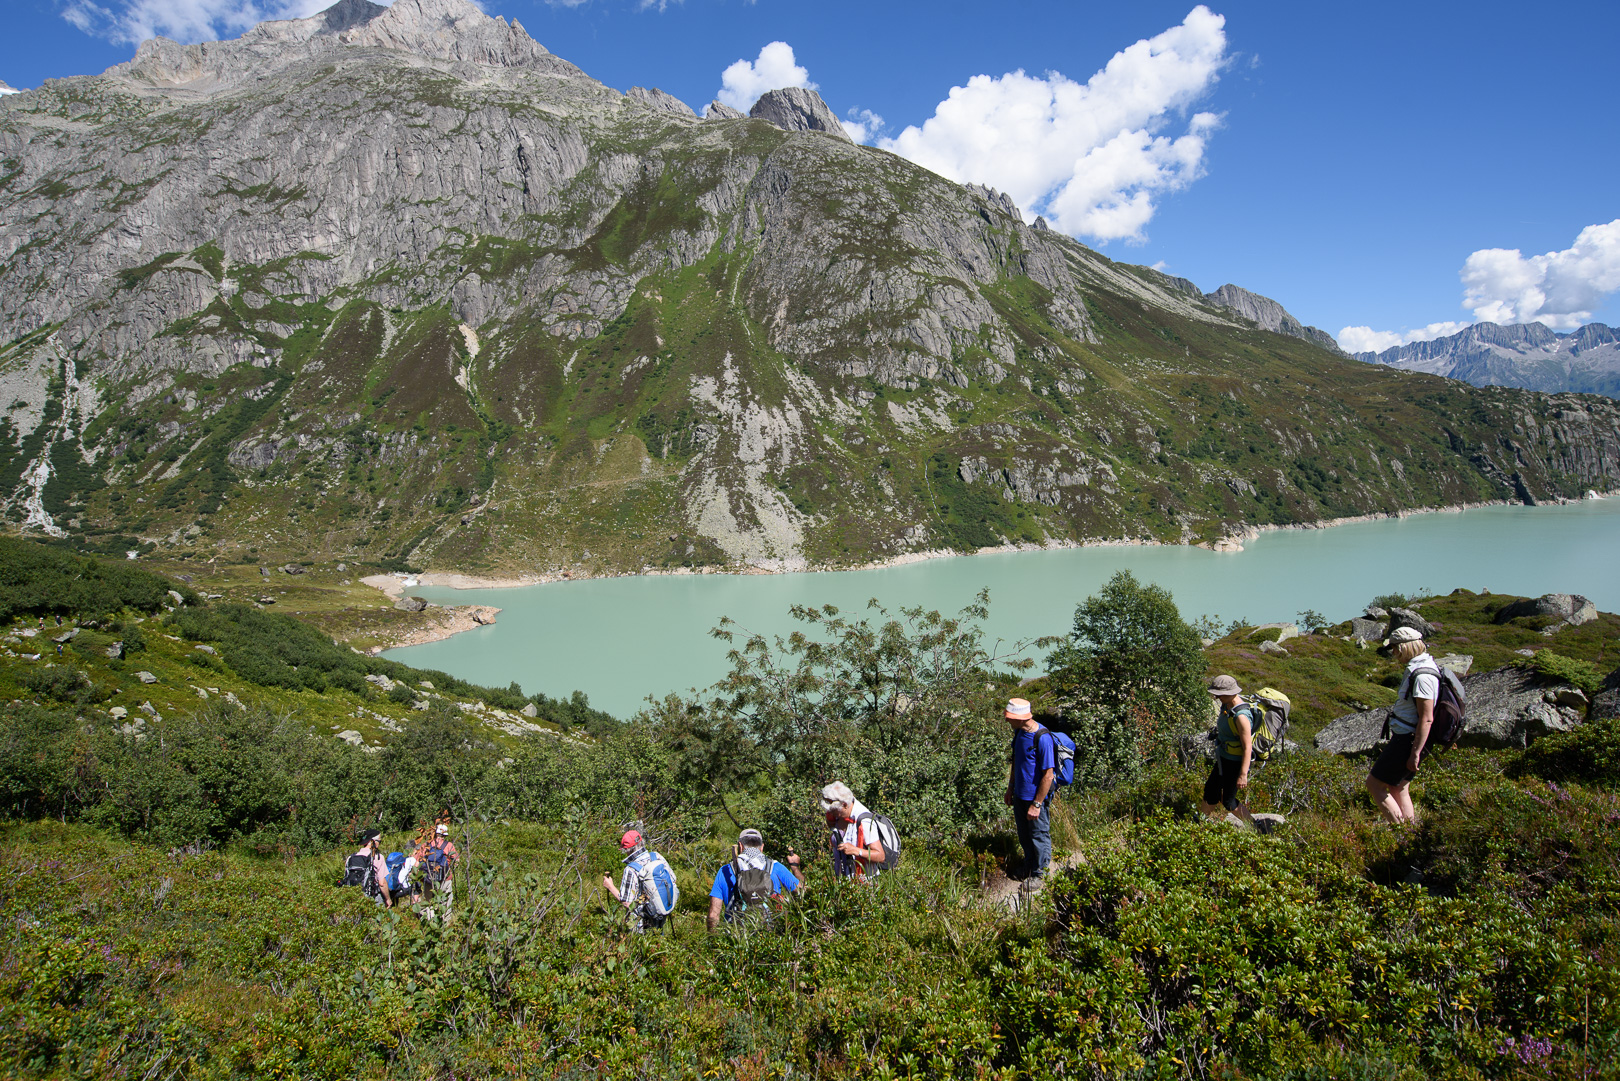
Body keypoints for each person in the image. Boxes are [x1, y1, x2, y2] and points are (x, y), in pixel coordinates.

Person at [1368, 627, 1437, 824]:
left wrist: (1415, 752)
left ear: (1405, 647)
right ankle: (1410, 832)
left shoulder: (1422, 676)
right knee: (1399, 787)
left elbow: (1427, 718)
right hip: (1409, 738)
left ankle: (1400, 832)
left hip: (1408, 740)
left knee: (1374, 785)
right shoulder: (1422, 668)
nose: (1394, 653)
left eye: (1395, 649)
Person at [1199, 676, 1268, 831]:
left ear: (1231, 693)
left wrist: (1243, 775)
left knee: (1228, 800)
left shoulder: (1241, 716)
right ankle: (1200, 823)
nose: (1216, 698)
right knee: (1211, 790)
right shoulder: (1227, 704)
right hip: (1223, 757)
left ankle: (1255, 827)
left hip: (1235, 762)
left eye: (1220, 695)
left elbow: (1247, 747)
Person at [1002, 697, 1056, 889]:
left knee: (1039, 835)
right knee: (1024, 835)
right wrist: (1010, 788)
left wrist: (1037, 803)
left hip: (1035, 798)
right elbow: (1016, 761)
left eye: (1009, 717)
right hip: (1020, 795)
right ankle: (1029, 866)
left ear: (1020, 718)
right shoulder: (1019, 733)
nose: (1006, 720)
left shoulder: (1042, 737)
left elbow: (1048, 775)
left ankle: (1040, 874)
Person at [707, 828, 801, 930]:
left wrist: (713, 937)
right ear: (762, 847)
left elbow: (713, 916)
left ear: (740, 846)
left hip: (736, 936)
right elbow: (802, 892)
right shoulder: (776, 867)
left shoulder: (725, 871)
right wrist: (795, 868)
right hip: (770, 935)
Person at [602, 830, 675, 933]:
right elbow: (673, 879)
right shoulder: (656, 857)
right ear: (641, 842)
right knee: (658, 940)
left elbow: (627, 903)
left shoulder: (631, 869)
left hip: (641, 925)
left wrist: (610, 887)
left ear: (627, 849)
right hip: (661, 915)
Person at [819, 782, 885, 881]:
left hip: (865, 882)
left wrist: (856, 851)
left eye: (833, 811)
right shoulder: (838, 815)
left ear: (845, 805)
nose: (830, 813)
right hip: (843, 879)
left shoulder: (864, 821)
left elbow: (880, 856)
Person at [345, 829, 394, 907]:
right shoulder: (378, 857)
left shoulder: (350, 858)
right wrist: (388, 899)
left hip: (354, 897)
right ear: (373, 842)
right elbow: (382, 883)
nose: (379, 843)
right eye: (379, 841)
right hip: (372, 897)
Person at [424, 823, 459, 920]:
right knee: (446, 902)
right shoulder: (449, 845)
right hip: (445, 878)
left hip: (429, 878)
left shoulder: (427, 844)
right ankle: (445, 922)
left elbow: (420, 860)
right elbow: (457, 860)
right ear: (445, 835)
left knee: (429, 902)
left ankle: (430, 921)